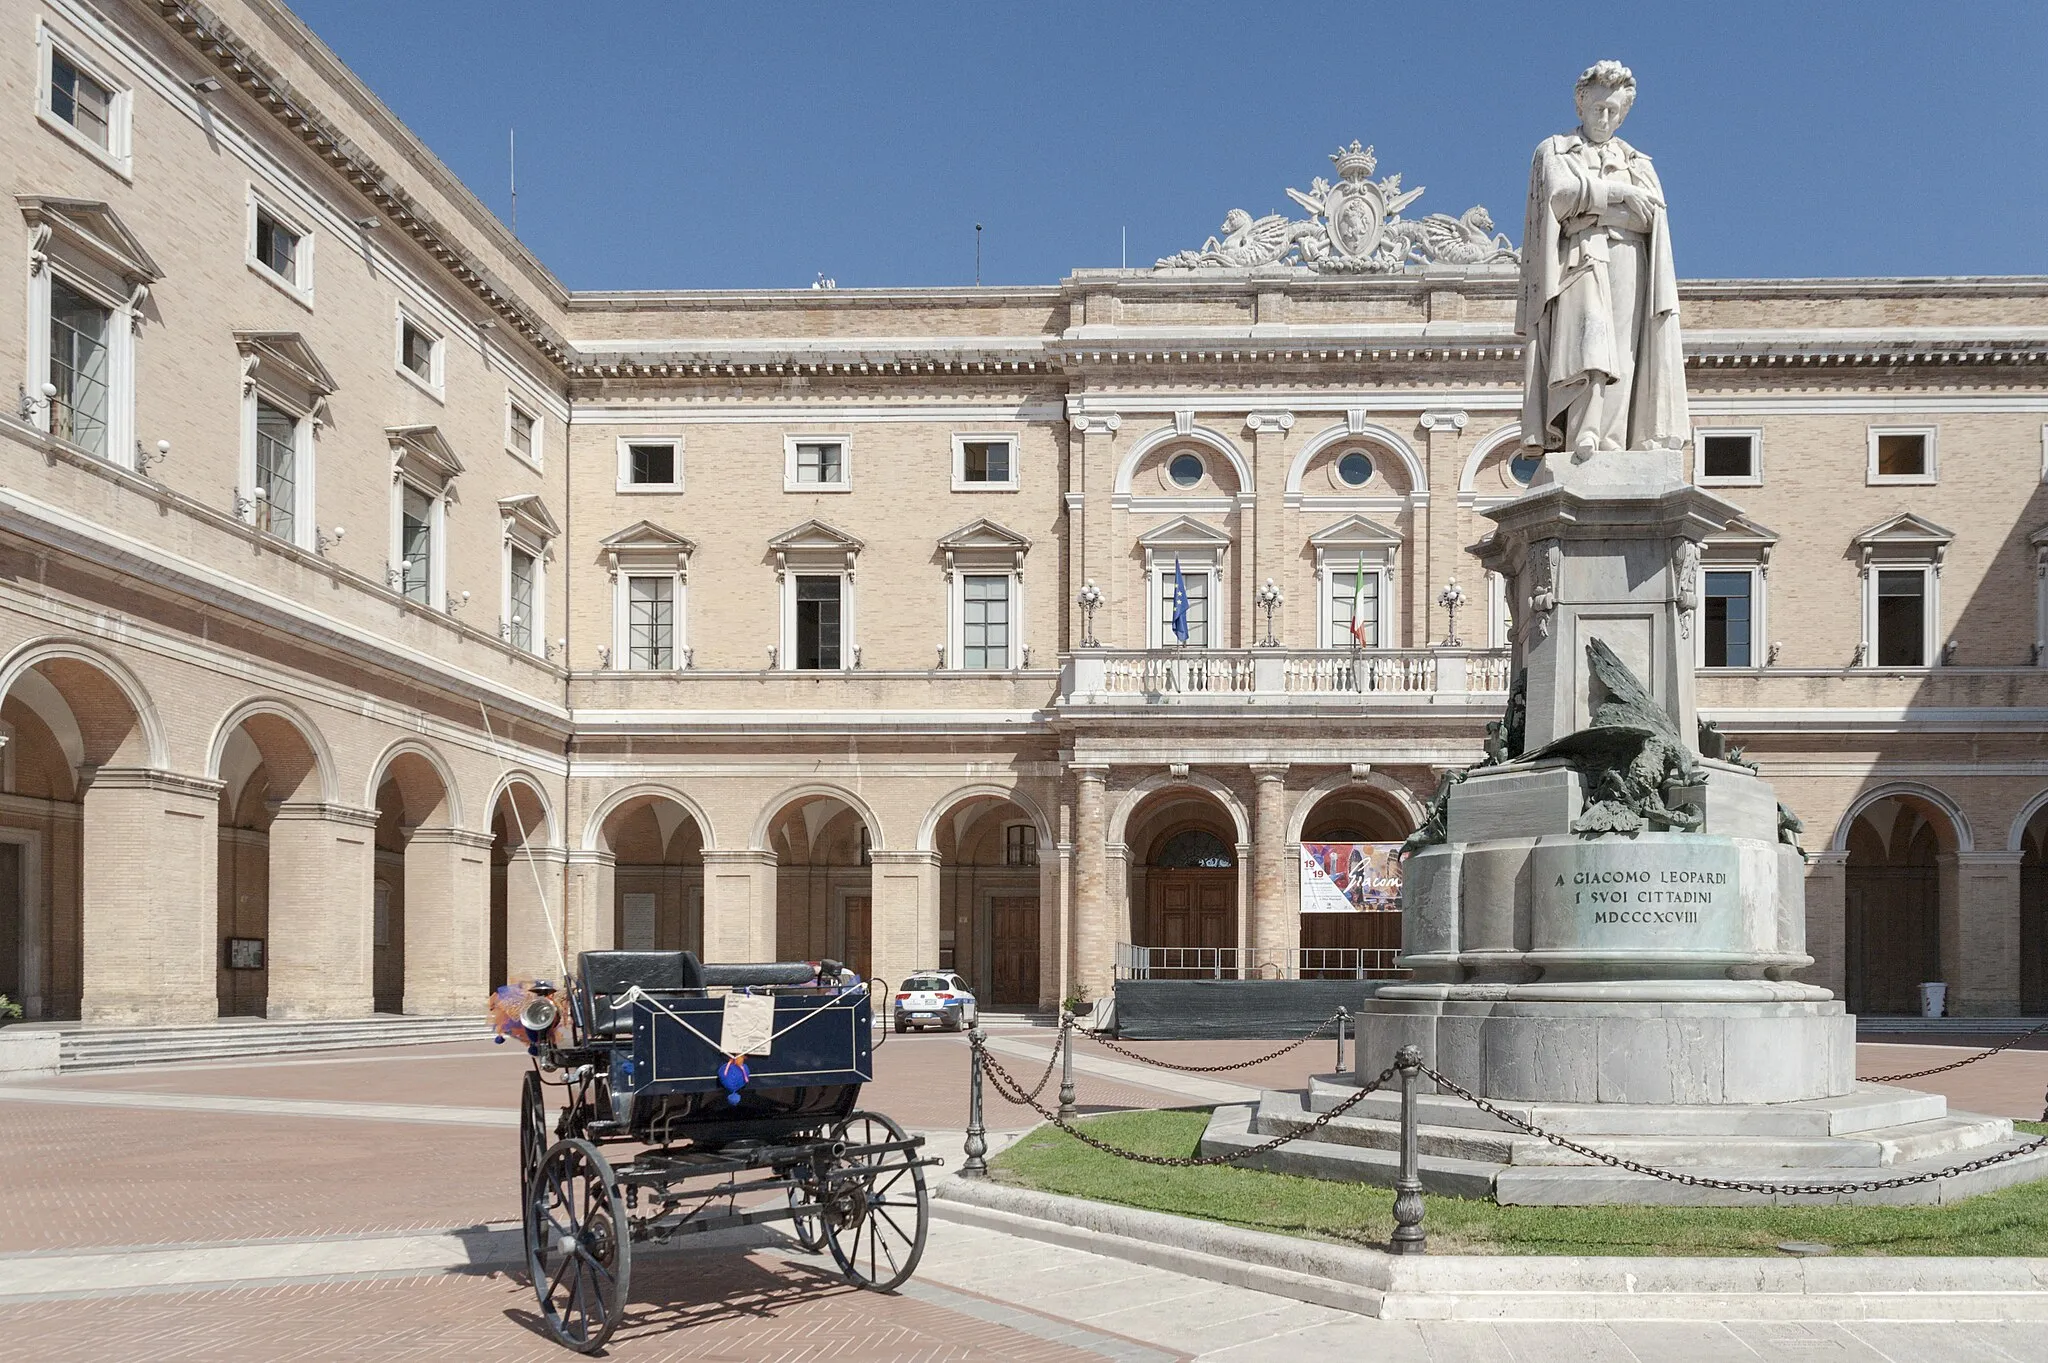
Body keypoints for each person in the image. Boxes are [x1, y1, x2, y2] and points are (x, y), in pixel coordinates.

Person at [1516, 60, 1689, 462]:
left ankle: (1612, 441)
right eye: (1598, 109)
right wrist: (1619, 194)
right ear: (1580, 106)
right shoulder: (1554, 150)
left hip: (1629, 258)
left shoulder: (1638, 162)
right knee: (1585, 343)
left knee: (1624, 352)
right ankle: (1583, 435)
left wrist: (1590, 206)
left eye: (1614, 111)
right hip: (1578, 259)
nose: (1605, 118)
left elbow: (1650, 216)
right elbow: (1559, 197)